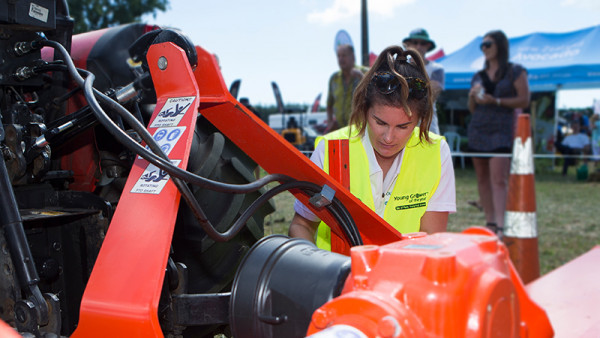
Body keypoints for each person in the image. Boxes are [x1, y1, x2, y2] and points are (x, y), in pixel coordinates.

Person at [289, 45, 456, 250]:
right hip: (336, 277)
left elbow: (432, 242)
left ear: (420, 121)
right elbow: (301, 225)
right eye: (380, 122)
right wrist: (320, 271)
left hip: (402, 275)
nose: (388, 137)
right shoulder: (330, 150)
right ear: (364, 109)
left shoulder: (436, 152)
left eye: (403, 127)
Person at [467, 30, 530, 235]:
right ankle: (490, 223)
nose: (484, 48)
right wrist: (472, 96)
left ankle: (501, 226)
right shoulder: (478, 75)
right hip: (478, 128)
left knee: (498, 178)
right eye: (482, 45)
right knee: (482, 178)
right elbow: (472, 108)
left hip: (501, 130)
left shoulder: (515, 71)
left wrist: (498, 101)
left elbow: (524, 100)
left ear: (500, 46)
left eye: (488, 44)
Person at [403, 28, 445, 135]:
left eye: (423, 43)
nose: (418, 46)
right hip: (402, 127)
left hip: (428, 128)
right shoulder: (399, 67)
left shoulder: (436, 68)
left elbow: (431, 96)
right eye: (415, 42)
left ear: (428, 46)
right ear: (407, 44)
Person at [326, 44, 368, 132]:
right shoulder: (334, 78)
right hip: (341, 132)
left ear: (353, 57)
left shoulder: (366, 73)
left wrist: (361, 77)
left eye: (344, 55)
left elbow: (376, 96)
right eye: (338, 56)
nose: (341, 59)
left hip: (361, 131)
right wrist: (330, 122)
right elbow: (329, 104)